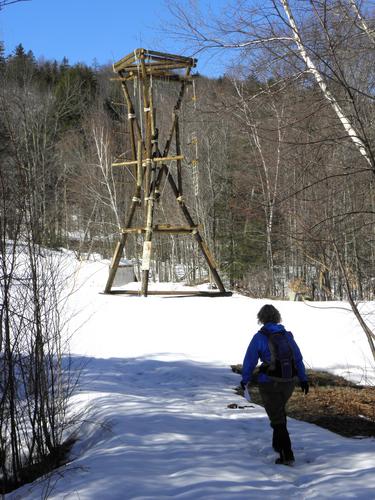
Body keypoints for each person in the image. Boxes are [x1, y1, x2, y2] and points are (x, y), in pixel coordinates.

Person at [240, 304, 309, 465]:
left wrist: (245, 379)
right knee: (278, 413)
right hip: (289, 382)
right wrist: (303, 379)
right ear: (277, 317)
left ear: (261, 318)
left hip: (269, 383)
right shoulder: (287, 336)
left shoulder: (259, 337)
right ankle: (278, 447)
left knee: (277, 419)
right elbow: (298, 358)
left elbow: (250, 360)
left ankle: (287, 455)